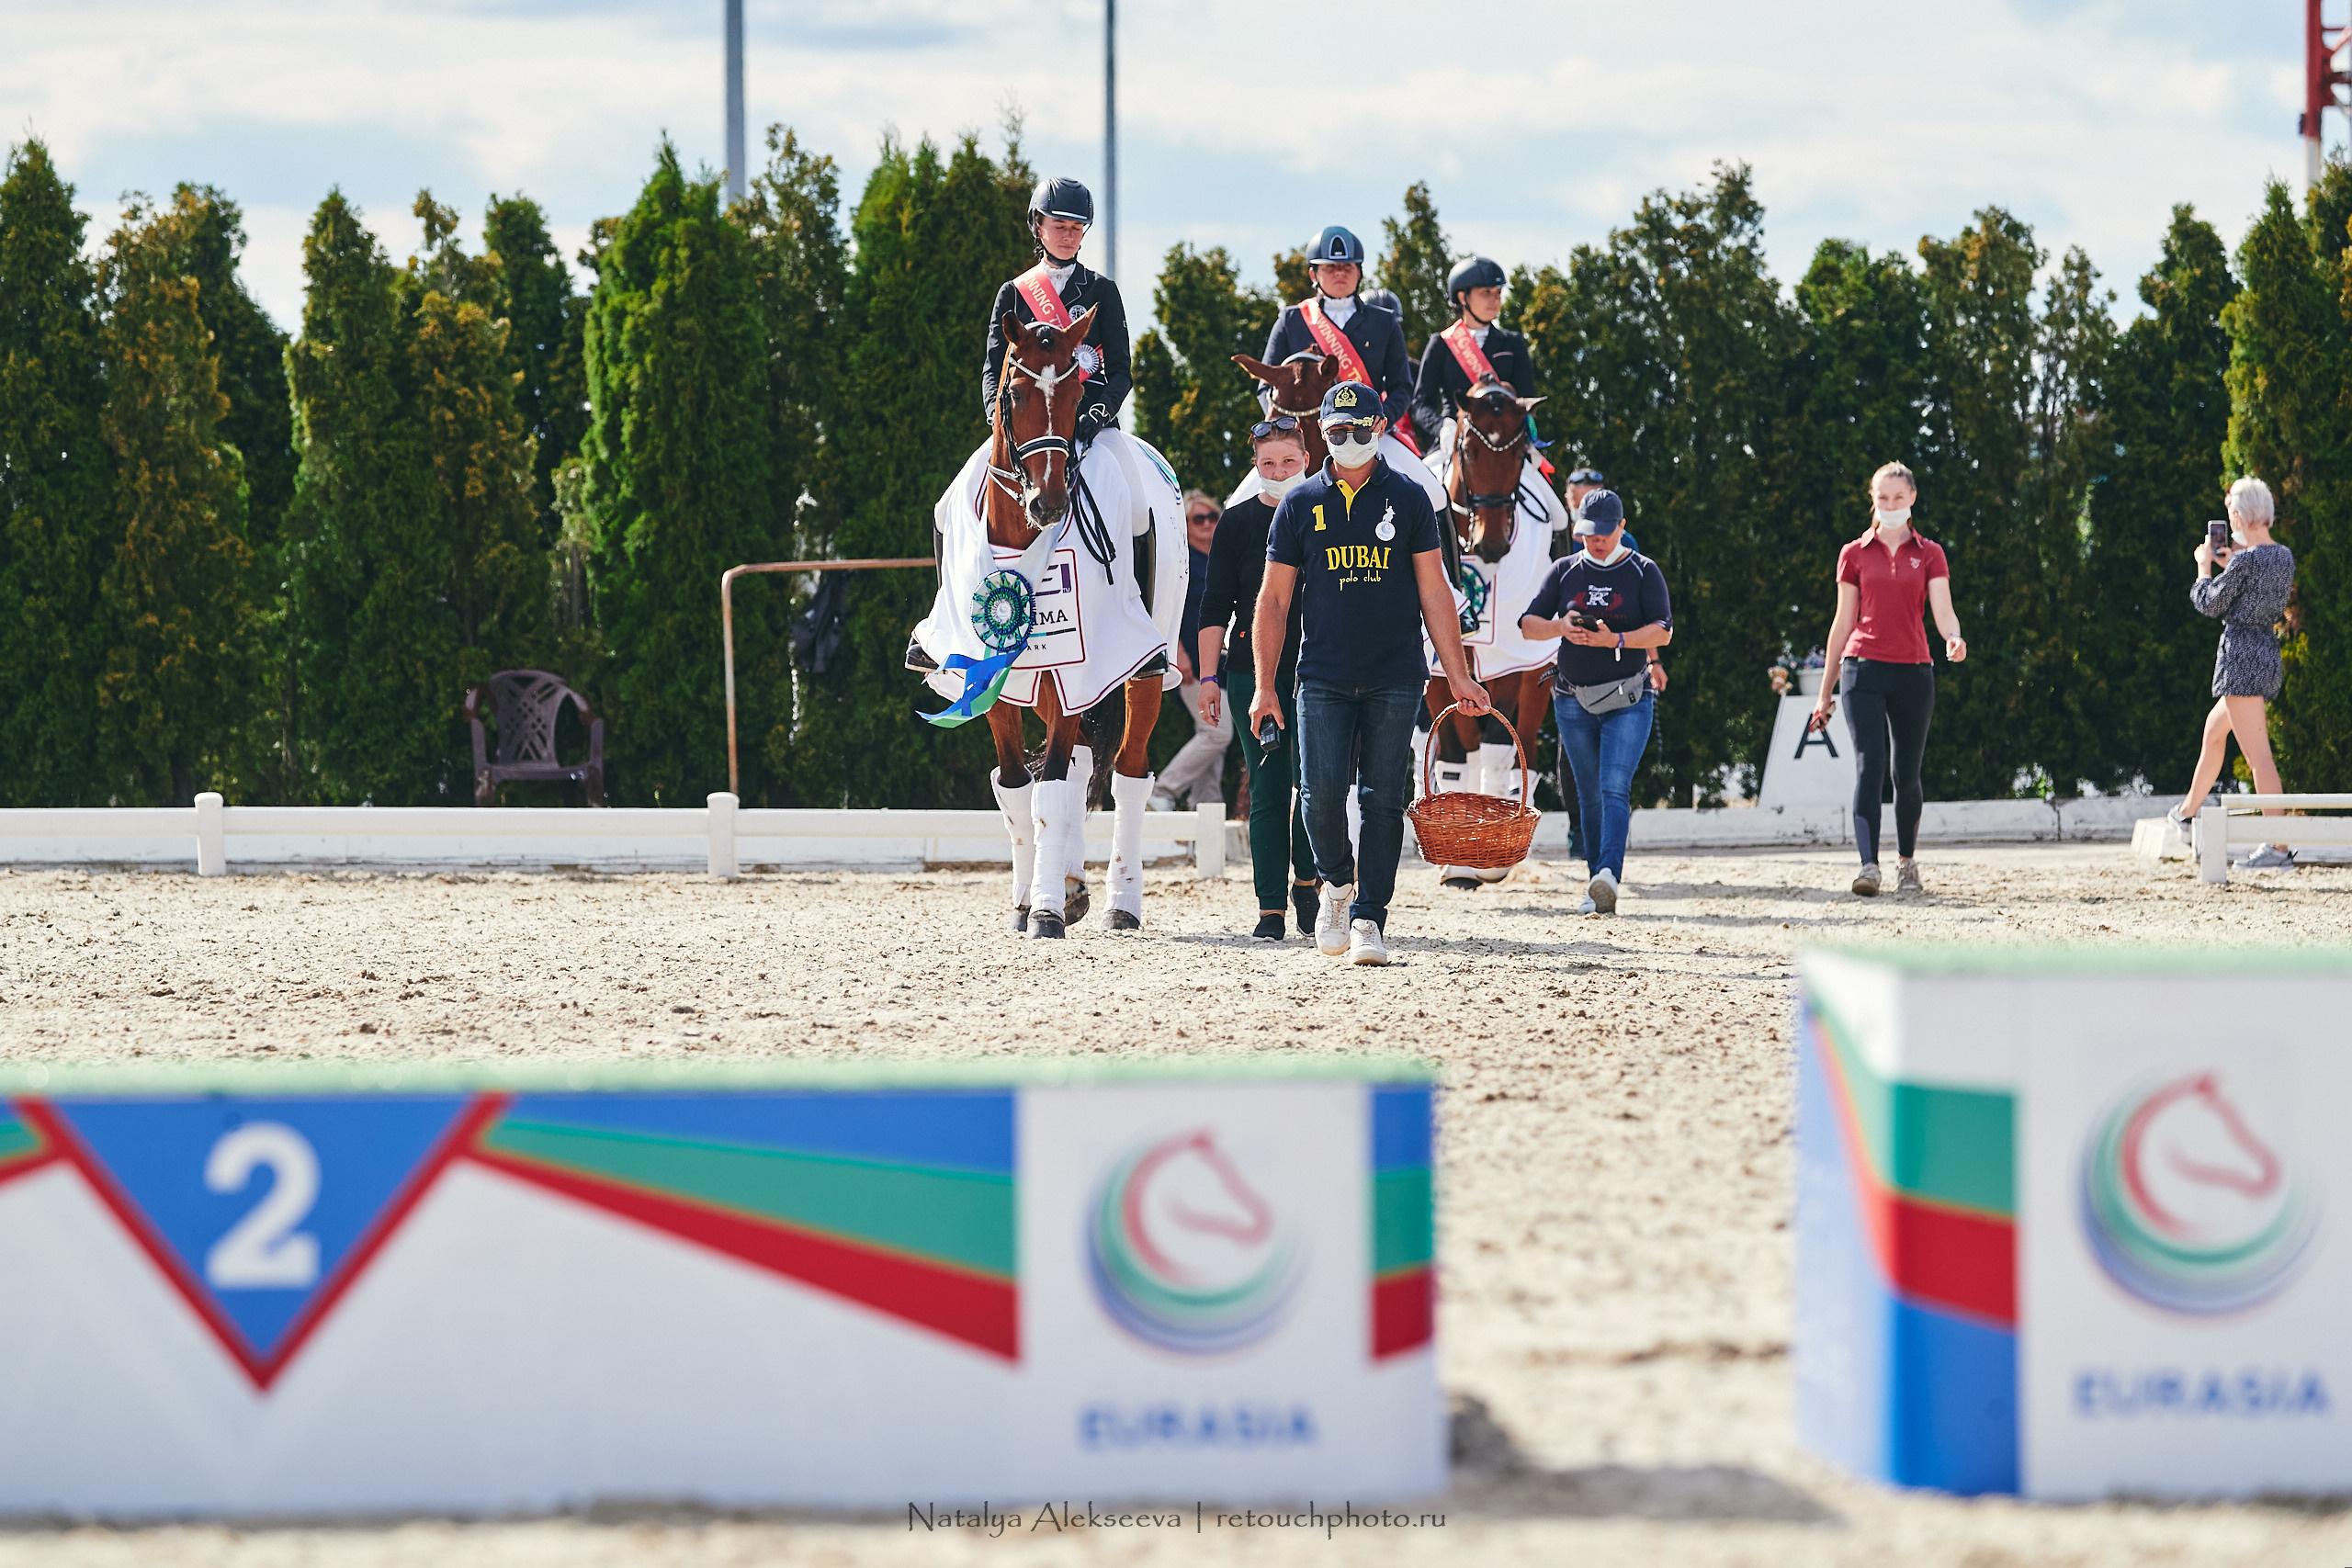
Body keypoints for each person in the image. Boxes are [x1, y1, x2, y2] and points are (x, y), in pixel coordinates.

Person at [1250, 381, 1490, 965]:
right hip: (1323, 674)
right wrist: (1263, 685)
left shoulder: (1409, 499)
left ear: (1379, 429)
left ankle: (1369, 919)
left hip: (1396, 673)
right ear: (1322, 434)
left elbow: (1435, 591)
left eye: (1359, 430)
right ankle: (1336, 882)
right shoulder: (1298, 503)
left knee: (1384, 800)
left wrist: (1456, 676)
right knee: (1318, 797)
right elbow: (1274, 600)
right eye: (1336, 432)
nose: (1348, 441)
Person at [1807, 462, 1967, 897]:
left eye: (1898, 498)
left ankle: (1907, 864)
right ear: (1873, 500)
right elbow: (1842, 624)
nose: (1890, 505)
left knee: (1906, 772)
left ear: (1912, 498)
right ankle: (1868, 866)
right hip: (1863, 667)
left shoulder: (1930, 552)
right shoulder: (1853, 553)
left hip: (1915, 669)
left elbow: (1943, 609)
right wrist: (1825, 692)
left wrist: (1953, 637)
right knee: (1868, 765)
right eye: (1882, 498)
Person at [1518, 491, 1672, 916]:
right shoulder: (1564, 569)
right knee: (1587, 795)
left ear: (1621, 527)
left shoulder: (1643, 570)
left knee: (1613, 787)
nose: (1596, 541)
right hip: (1571, 699)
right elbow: (1528, 626)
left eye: (1604, 533)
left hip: (1629, 697)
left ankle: (1607, 874)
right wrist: (1559, 627)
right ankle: (1595, 881)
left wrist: (1615, 640)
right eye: (1588, 533)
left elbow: (1662, 630)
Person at [1198, 423, 1317, 938]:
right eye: (1268, 464)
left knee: (1318, 786)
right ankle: (1271, 908)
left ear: (1307, 459)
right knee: (1269, 789)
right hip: (1252, 673)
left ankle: (1311, 885)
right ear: (1255, 467)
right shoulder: (1237, 522)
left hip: (1320, 672)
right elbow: (1213, 605)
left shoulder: (1330, 512)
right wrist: (1208, 677)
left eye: (1288, 462)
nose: (1278, 472)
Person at [2171, 477, 2297, 867]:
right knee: (2213, 733)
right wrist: (2232, 564)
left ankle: (2278, 848)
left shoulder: (2243, 561)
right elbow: (2254, 581)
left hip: (2240, 658)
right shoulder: (2283, 556)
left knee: (2260, 758)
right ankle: (2187, 814)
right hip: (2264, 655)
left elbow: (2209, 602)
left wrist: (2203, 566)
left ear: (2239, 515)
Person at [981, 176, 1130, 449]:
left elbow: (1121, 372)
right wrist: (997, 416)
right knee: (970, 484)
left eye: (1077, 227)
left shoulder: (1103, 291)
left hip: (1091, 428)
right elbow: (993, 369)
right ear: (1038, 226)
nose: (1069, 235)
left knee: (1134, 486)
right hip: (1025, 429)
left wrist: (1098, 415)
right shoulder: (1013, 293)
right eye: (1059, 226)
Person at [1154, 492, 1232, 811]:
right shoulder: (1180, 561)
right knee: (1217, 734)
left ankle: (1206, 809)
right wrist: (1177, 655)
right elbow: (1167, 610)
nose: (1207, 524)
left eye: (1213, 517)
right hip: (1193, 664)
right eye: (1198, 519)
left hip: (1226, 665)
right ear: (1184, 525)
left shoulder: (1225, 559)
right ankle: (1162, 792)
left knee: (1213, 741)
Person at [1410, 256, 1536, 450]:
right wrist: (1442, 427)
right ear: (1462, 297)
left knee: (1539, 481)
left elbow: (1526, 398)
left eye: (1499, 293)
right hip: (1454, 439)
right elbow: (1421, 404)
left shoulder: (1513, 343)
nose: (1495, 300)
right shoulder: (1441, 343)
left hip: (1505, 443)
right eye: (1486, 292)